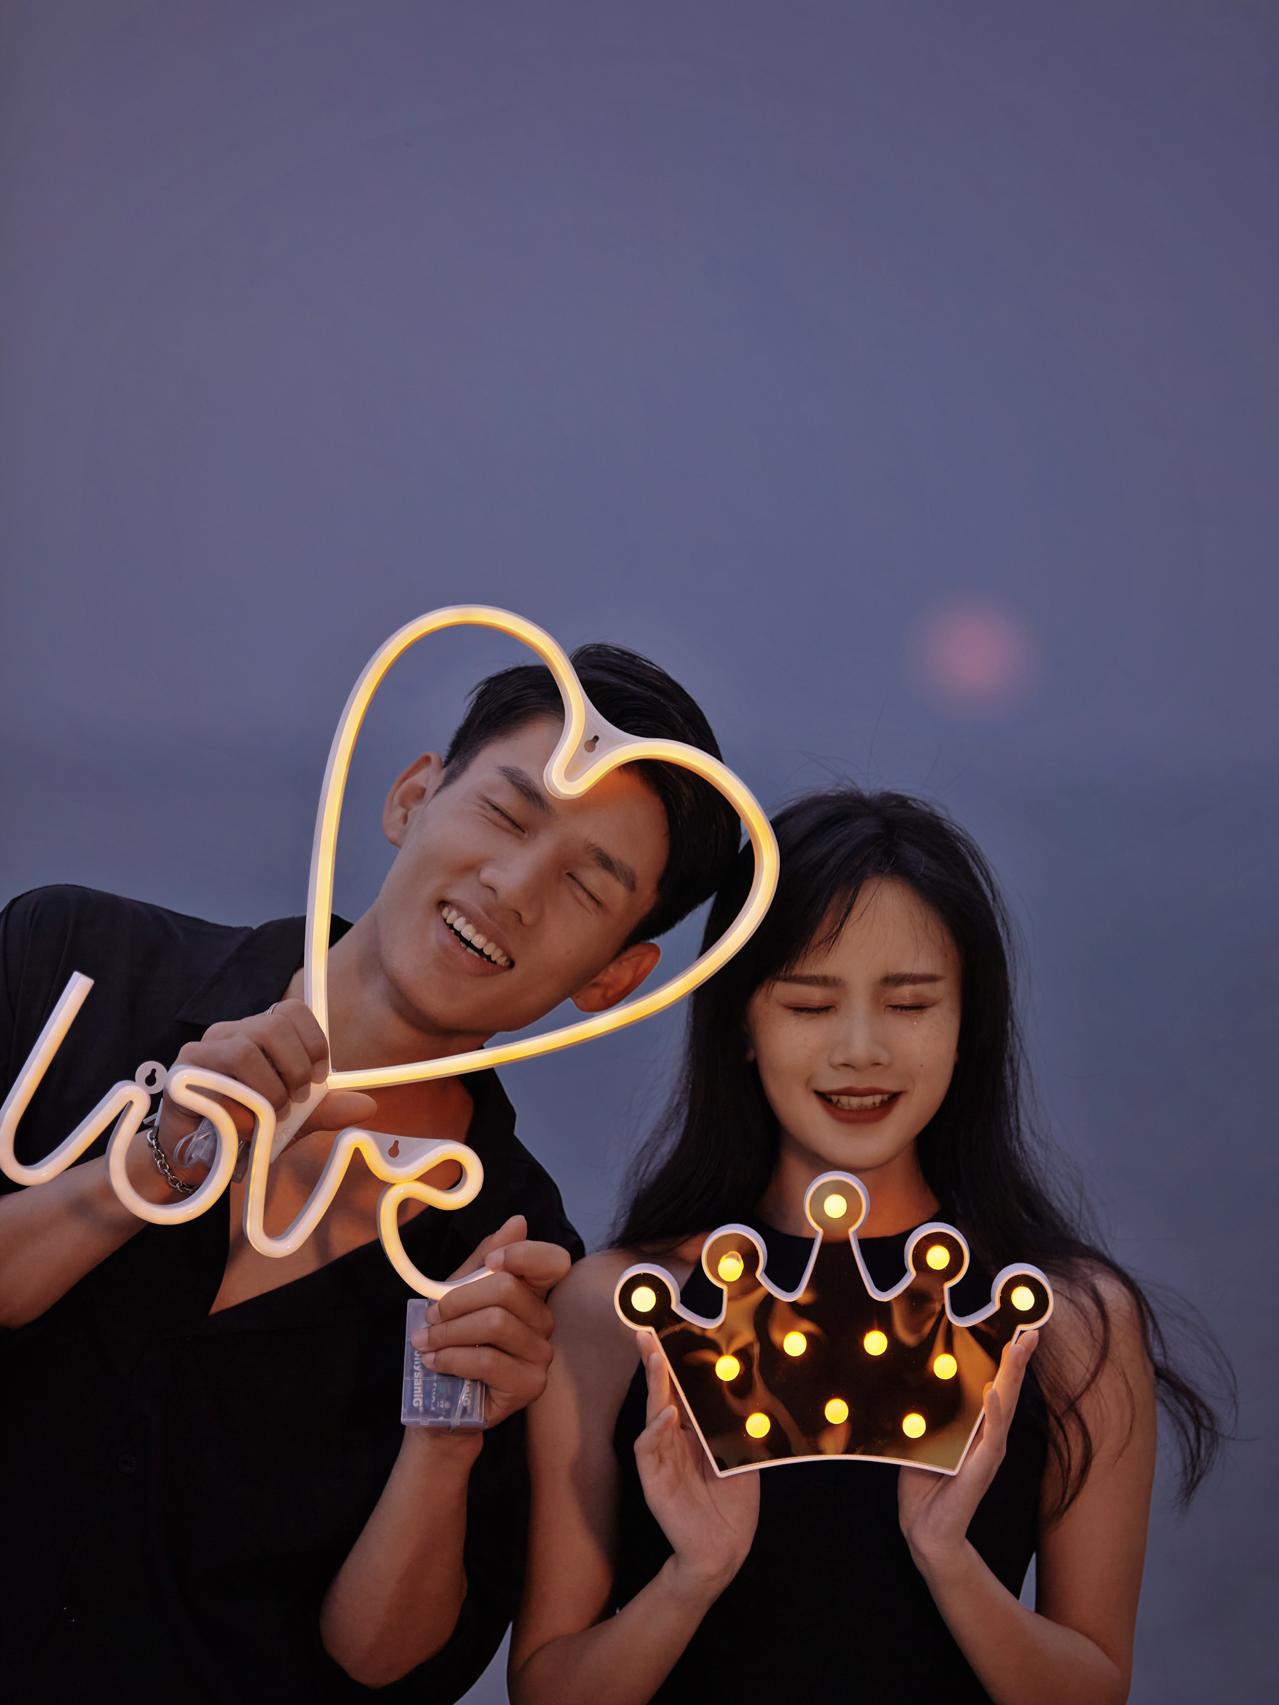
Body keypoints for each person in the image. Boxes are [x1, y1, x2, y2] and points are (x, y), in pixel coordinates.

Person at [0, 642, 741, 1704]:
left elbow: (381, 1664)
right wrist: (142, 1174)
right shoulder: (76, 966)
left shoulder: (510, 1260)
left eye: (585, 885)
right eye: (505, 814)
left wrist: (444, 1438)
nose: (512, 887)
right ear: (411, 796)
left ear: (614, 976)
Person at [512, 786, 1232, 1705]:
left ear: (968, 1027)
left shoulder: (1067, 1323)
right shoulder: (617, 1307)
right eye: (809, 1004)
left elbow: (1092, 1687)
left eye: (909, 1003)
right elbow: (545, 1688)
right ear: (739, 1022)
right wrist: (691, 1577)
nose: (860, 1050)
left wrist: (949, 1559)